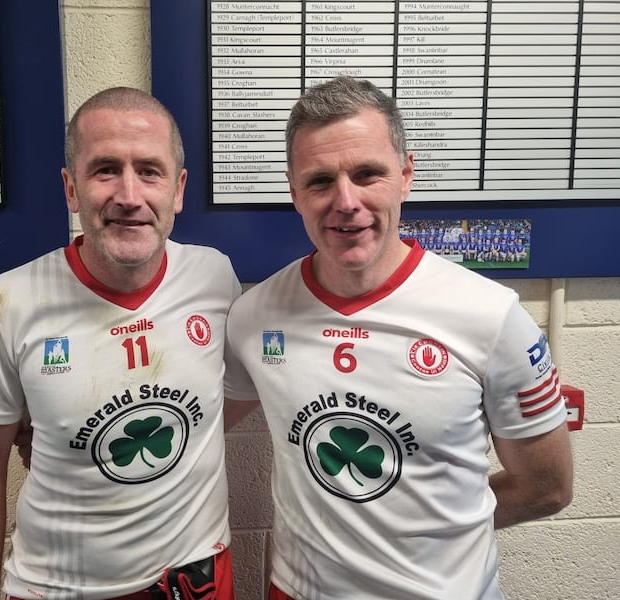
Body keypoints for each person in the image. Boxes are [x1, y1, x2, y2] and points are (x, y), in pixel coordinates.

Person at [222, 76, 573, 600]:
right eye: (320, 181)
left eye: (368, 174)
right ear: (294, 191)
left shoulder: (492, 316)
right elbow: (198, 433)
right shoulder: (253, 316)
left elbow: (548, 488)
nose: (346, 201)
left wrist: (434, 532)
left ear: (405, 175)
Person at [0, 87, 241, 600]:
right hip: (58, 586)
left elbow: (229, 395)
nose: (129, 196)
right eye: (105, 169)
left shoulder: (214, 276)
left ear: (178, 189)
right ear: (71, 188)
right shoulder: (10, 300)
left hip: (196, 578)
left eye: (149, 171)